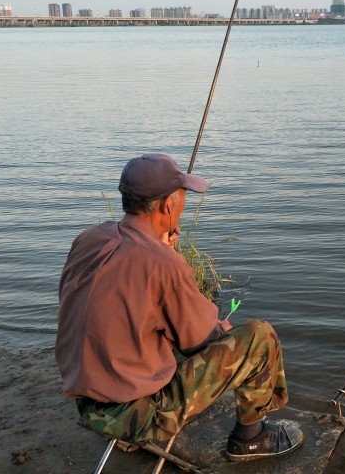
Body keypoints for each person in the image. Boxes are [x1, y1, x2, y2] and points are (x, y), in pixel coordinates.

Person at [54, 153, 303, 462]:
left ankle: (127, 430)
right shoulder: (164, 264)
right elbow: (201, 342)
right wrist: (222, 331)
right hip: (136, 413)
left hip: (86, 402)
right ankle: (251, 439)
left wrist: (161, 249)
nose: (184, 202)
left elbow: (123, 289)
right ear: (167, 205)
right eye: (182, 194)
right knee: (259, 337)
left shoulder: (89, 238)